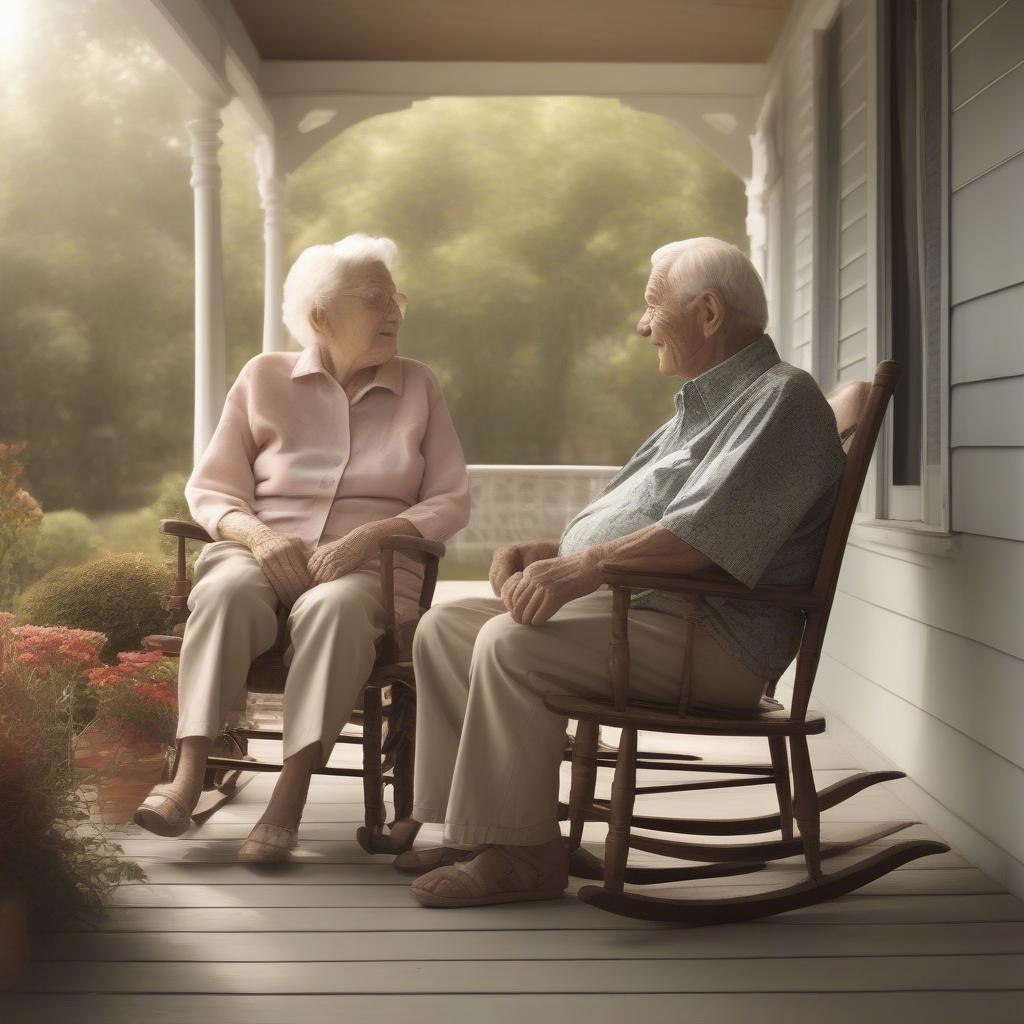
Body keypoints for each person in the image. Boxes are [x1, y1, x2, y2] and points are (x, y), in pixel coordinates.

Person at [397, 236, 846, 907]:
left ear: (710, 312)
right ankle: (476, 826)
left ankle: (524, 855)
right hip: (650, 616)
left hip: (712, 638)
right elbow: (655, 521)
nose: (641, 326)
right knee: (446, 626)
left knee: (512, 644)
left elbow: (698, 537)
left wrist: (587, 564)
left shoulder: (778, 399)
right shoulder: (706, 405)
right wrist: (551, 551)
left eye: (651, 307)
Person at [133, 234, 470, 862]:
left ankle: (288, 795)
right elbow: (210, 490)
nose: (395, 310)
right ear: (321, 317)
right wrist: (259, 538)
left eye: (396, 295)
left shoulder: (419, 386)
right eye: (375, 298)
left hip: (368, 565)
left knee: (334, 610)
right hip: (260, 551)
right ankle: (187, 771)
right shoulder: (263, 377)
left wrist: (372, 535)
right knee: (226, 589)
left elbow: (451, 500)